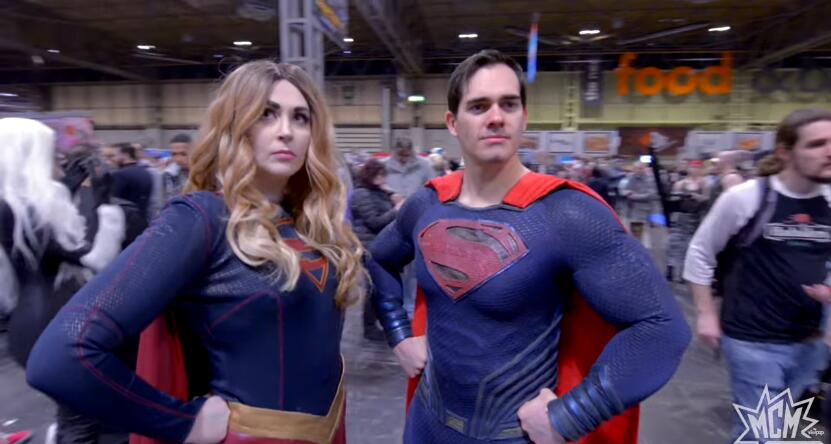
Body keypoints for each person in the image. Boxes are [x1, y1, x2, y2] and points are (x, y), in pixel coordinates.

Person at [27, 61, 367, 444]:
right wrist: (181, 422)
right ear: (234, 126)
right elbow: (61, 355)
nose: (286, 131)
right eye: (266, 114)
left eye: (300, 117)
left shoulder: (312, 222)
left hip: (328, 429)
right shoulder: (202, 218)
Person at [368, 49, 690, 444]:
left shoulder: (567, 213)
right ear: (453, 122)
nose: (496, 117)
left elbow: (662, 328)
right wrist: (399, 334)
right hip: (426, 422)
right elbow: (380, 259)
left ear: (524, 117)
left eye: (508, 104)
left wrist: (572, 415)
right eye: (479, 106)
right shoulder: (427, 204)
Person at [685, 109, 831, 442]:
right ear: (785, 152)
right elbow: (700, 253)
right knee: (762, 433)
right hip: (754, 339)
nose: (829, 152)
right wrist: (706, 314)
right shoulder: (747, 198)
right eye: (816, 144)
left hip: (810, 342)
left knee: (783, 427)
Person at [0, 119, 125, 444]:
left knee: (74, 416)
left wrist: (67, 188)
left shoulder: (13, 207)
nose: (59, 158)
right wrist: (105, 203)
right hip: (52, 323)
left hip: (31, 321)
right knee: (80, 423)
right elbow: (96, 259)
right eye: (50, 153)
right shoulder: (32, 211)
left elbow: (42, 251)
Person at [350, 159, 403, 341]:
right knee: (373, 288)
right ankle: (369, 327)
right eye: (379, 175)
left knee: (381, 288)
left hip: (380, 245)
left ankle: (377, 323)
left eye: (383, 174)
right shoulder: (361, 194)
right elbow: (374, 222)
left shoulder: (378, 192)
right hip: (369, 247)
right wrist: (396, 210)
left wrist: (392, 195)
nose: (383, 178)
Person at [666, 160, 710, 282]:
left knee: (689, 245)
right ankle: (671, 268)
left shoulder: (704, 183)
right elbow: (672, 199)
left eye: (697, 168)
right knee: (674, 243)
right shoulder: (681, 183)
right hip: (680, 216)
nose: (695, 170)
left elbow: (707, 199)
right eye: (693, 167)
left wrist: (697, 197)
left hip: (695, 217)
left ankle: (684, 272)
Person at [163, 134, 193, 200]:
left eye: (183, 154)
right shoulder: (168, 175)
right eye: (174, 154)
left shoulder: (205, 175)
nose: (178, 159)